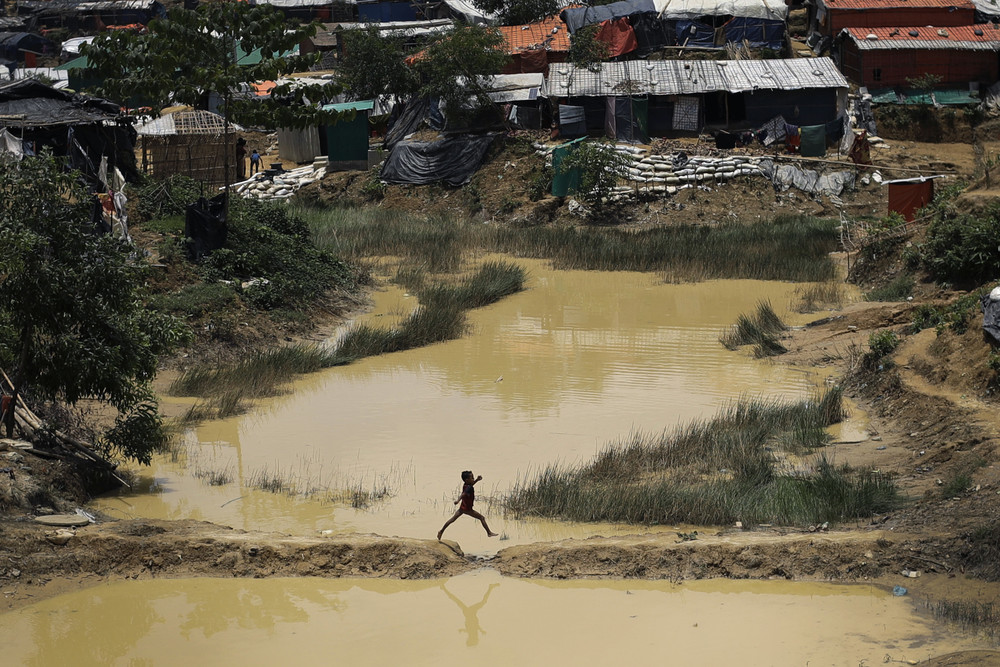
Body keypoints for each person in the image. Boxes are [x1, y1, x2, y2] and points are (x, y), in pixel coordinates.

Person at [438, 470, 498, 540]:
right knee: (482, 518)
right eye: (472, 478)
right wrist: (457, 500)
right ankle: (489, 533)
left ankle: (441, 531)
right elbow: (463, 494)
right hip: (467, 509)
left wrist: (477, 480)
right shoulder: (469, 487)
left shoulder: (466, 485)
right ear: (467, 480)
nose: (473, 479)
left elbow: (471, 485)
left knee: (452, 519)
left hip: (462, 508)